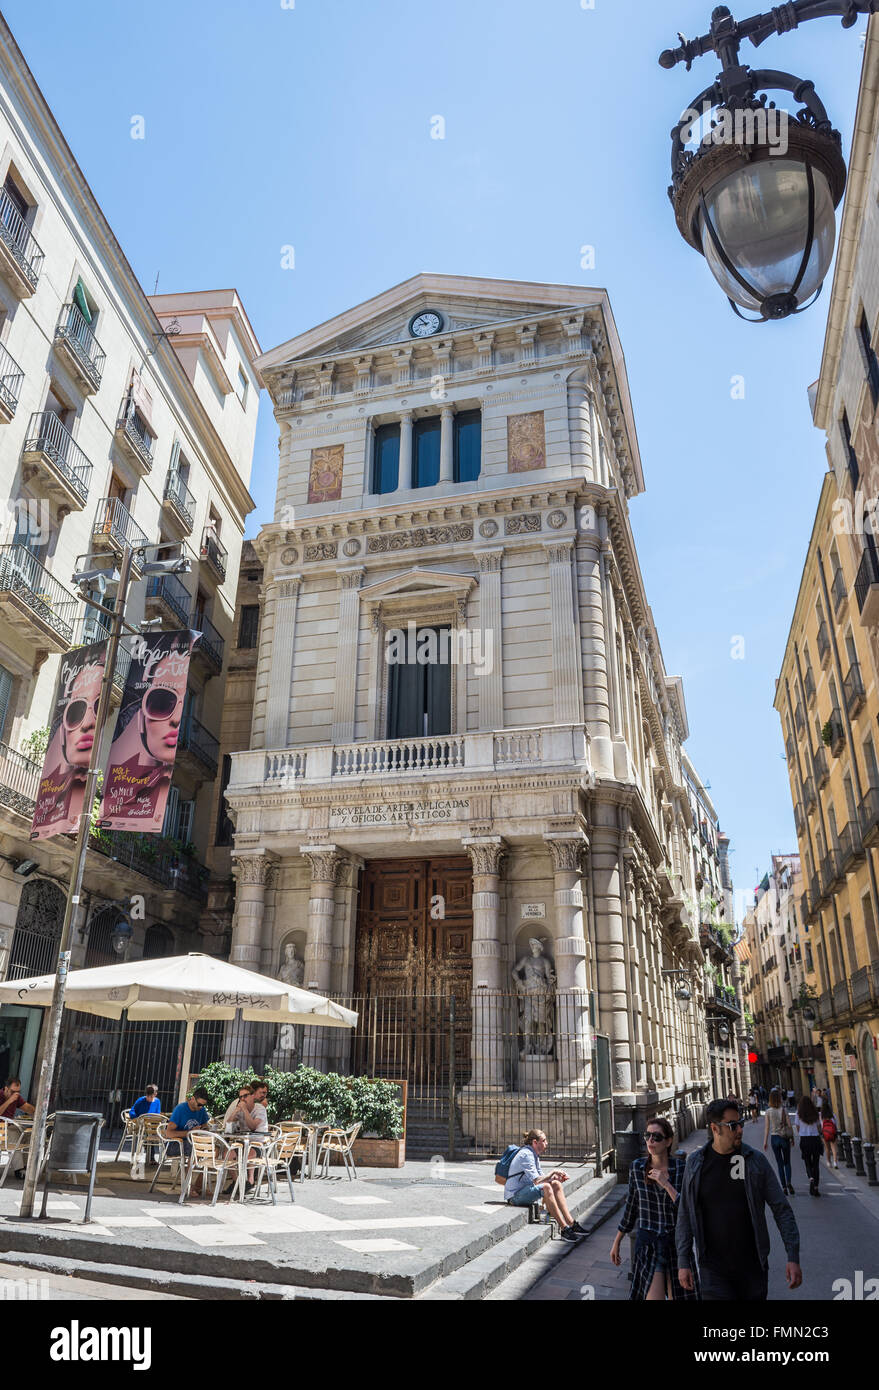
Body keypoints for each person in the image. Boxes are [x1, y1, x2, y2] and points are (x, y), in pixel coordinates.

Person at [677, 1099, 802, 1301]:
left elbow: (781, 1209)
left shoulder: (755, 1161)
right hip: (713, 1270)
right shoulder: (695, 1164)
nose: (740, 1130)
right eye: (733, 1125)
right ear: (715, 1128)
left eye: (740, 1123)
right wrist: (683, 1261)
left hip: (752, 1268)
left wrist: (792, 1256)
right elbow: (685, 1214)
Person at [610, 1116, 696, 1301]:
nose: (650, 1141)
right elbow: (632, 1207)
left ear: (668, 1141)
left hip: (677, 1246)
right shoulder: (637, 1168)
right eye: (647, 1136)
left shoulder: (682, 1169)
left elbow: (687, 1210)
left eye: (656, 1137)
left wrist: (666, 1185)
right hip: (649, 1245)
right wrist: (617, 1241)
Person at [503, 1130, 585, 1243]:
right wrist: (553, 1172)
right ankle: (564, 1229)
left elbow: (541, 1177)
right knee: (546, 1187)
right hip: (514, 1196)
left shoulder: (534, 1155)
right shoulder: (526, 1155)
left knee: (555, 1184)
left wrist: (556, 1178)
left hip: (525, 1191)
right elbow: (537, 1181)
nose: (547, 1143)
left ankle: (571, 1223)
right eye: (544, 1140)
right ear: (535, 1142)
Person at [165, 1088, 211, 1193]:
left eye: (203, 1105)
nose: (201, 1107)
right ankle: (187, 1186)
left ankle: (198, 1186)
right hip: (175, 1144)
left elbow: (205, 1126)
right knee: (195, 1150)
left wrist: (203, 1131)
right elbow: (168, 1133)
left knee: (215, 1151)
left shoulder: (201, 1110)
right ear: (193, 1099)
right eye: (199, 1104)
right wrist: (189, 1132)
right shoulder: (180, 1109)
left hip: (193, 1143)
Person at [763, 1087, 795, 1195]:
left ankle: (784, 1187)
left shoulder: (768, 1112)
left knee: (779, 1164)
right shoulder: (784, 1110)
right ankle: (789, 1182)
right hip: (784, 1137)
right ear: (780, 1099)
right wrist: (792, 1138)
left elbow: (767, 1127)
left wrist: (765, 1142)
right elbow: (789, 1125)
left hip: (774, 1138)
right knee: (787, 1162)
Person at [793, 1095, 824, 1197]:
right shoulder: (815, 1113)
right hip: (815, 1139)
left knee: (807, 1162)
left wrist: (803, 1130)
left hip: (805, 1140)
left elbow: (797, 1128)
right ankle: (816, 1187)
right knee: (816, 1164)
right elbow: (819, 1128)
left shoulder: (799, 1114)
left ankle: (811, 1178)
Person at [820, 1092, 840, 1169]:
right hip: (832, 1132)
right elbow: (835, 1124)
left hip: (824, 1133)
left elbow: (821, 1126)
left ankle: (829, 1162)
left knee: (827, 1148)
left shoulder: (821, 1116)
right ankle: (835, 1162)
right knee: (834, 1148)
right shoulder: (832, 1115)